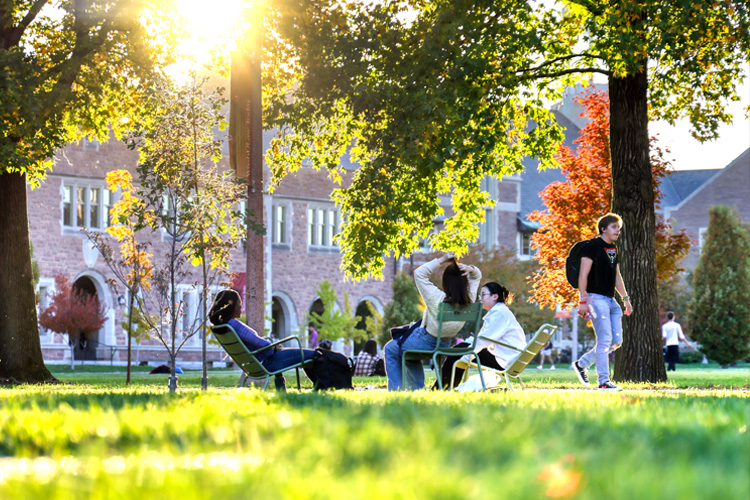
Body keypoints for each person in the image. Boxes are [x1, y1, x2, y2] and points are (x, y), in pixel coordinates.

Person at [384, 252, 481, 391]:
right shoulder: (469, 300)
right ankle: (417, 389)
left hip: (425, 341)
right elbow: (477, 276)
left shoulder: (437, 298)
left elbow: (419, 274)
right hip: (445, 344)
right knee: (409, 354)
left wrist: (442, 259)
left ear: (445, 282)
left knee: (391, 349)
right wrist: (471, 269)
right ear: (464, 281)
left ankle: (396, 391)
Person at [209, 289, 316, 390]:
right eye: (239, 302)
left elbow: (257, 343)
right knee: (316, 355)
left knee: (310, 356)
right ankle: (322, 385)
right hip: (266, 363)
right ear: (231, 305)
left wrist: (272, 345)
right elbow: (261, 344)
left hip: (254, 366)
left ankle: (314, 386)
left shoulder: (225, 326)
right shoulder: (234, 325)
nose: (242, 306)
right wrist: (273, 345)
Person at [573, 213, 633, 391]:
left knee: (616, 340)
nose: (617, 231)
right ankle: (604, 382)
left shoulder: (613, 249)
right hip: (595, 298)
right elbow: (583, 274)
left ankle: (582, 364)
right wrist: (582, 300)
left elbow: (616, 275)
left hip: (611, 300)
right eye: (614, 227)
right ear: (604, 229)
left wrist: (625, 299)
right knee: (605, 339)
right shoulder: (592, 247)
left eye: (619, 228)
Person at [433, 282, 527, 390]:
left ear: (495, 296)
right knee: (461, 349)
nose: (480, 299)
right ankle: (446, 387)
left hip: (504, 360)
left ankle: (440, 388)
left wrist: (466, 357)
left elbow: (483, 341)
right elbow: (484, 339)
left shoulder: (498, 313)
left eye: (483, 295)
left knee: (460, 350)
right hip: (508, 358)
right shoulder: (500, 312)